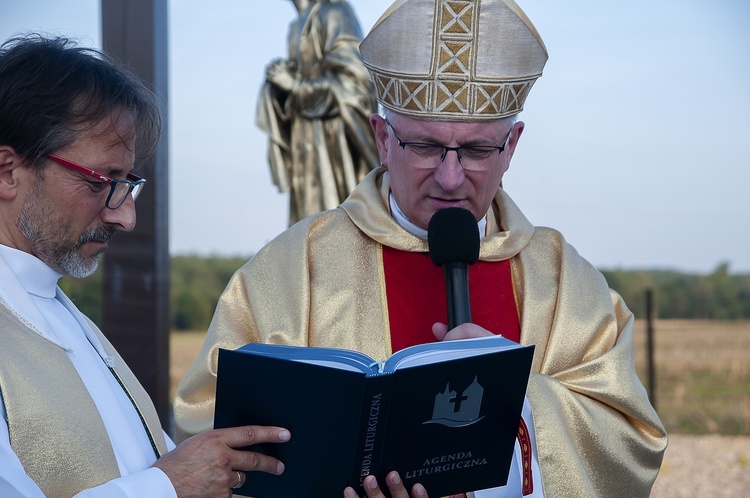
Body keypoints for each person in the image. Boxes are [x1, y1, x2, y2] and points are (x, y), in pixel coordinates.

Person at [175, 0, 668, 497]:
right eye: (426, 148)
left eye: (476, 151)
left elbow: (630, 440)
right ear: (382, 138)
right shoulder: (289, 271)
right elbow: (205, 432)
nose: (450, 178)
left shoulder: (564, 283)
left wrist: (513, 403)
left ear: (512, 146)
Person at [0, 34, 293, 498]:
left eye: (127, 184)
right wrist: (171, 486)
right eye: (102, 182)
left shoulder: (69, 319)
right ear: (8, 171)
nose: (126, 217)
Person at [257, 0, 380, 226]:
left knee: (332, 234)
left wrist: (296, 86)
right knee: (304, 235)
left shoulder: (335, 12)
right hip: (304, 144)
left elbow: (356, 83)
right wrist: (278, 87)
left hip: (332, 147)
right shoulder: (296, 26)